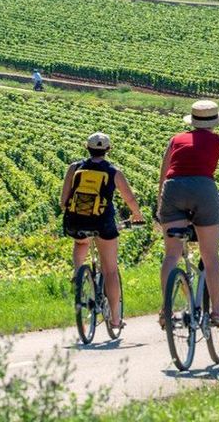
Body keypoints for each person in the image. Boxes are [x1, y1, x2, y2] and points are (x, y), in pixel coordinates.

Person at [157, 100, 219, 328]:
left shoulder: (175, 140)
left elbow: (163, 175)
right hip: (203, 189)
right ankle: (217, 312)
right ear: (215, 121)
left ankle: (165, 309)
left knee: (171, 255)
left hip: (173, 189)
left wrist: (162, 205)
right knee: (210, 256)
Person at [60, 132, 144, 328]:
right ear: (108, 150)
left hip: (76, 221)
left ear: (86, 148)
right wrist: (136, 214)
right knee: (110, 271)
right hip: (103, 223)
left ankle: (78, 272)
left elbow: (63, 201)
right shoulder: (113, 171)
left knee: (81, 241)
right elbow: (129, 198)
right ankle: (115, 319)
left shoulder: (74, 168)